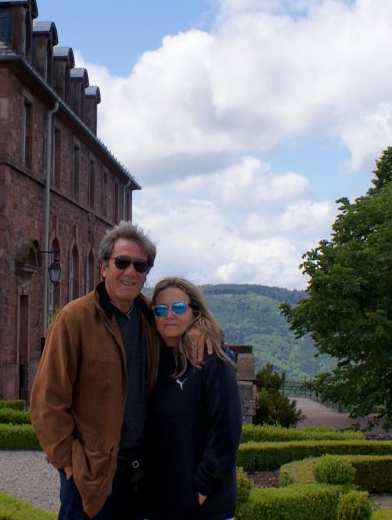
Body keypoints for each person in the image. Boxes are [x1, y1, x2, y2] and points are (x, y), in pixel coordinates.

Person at [31, 222, 160, 520]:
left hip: (143, 474)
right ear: (103, 267)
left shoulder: (153, 318)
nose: (130, 272)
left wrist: (204, 334)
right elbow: (46, 401)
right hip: (91, 476)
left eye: (140, 265)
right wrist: (69, 463)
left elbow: (192, 319)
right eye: (122, 262)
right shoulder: (74, 319)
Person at [143, 278, 242, 520]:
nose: (169, 315)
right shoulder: (149, 359)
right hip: (153, 505)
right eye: (160, 309)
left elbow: (227, 428)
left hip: (202, 508)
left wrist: (203, 486)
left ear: (194, 311)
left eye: (178, 308)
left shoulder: (211, 359)